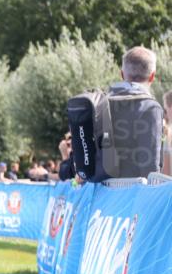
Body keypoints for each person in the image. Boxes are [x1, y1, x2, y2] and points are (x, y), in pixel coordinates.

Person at [60, 46, 163, 181]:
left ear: (122, 74)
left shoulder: (99, 104)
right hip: (130, 195)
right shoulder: (151, 108)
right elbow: (151, 166)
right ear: (152, 76)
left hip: (98, 193)